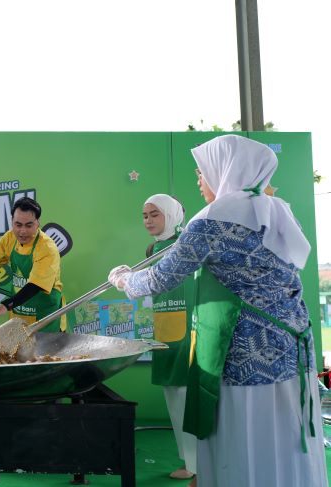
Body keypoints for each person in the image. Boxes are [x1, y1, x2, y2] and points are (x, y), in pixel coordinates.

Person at [108, 135, 327, 486]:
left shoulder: (210, 222)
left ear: (225, 169)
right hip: (293, 350)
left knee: (247, 439)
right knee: (286, 436)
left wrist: (123, 279)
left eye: (202, 172)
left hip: (244, 356)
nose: (198, 180)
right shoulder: (280, 211)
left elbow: (158, 280)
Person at [142, 194, 197, 483]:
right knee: (174, 397)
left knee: (189, 398)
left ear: (172, 214)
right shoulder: (154, 247)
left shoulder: (187, 241)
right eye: (145, 215)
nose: (148, 220)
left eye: (155, 214)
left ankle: (199, 463)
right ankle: (188, 461)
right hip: (163, 326)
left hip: (188, 329)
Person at [0, 197, 65, 332]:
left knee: (45, 352)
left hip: (45, 316)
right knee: (17, 352)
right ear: (12, 222)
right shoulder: (10, 238)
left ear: (38, 223)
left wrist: (3, 306)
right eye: (18, 225)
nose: (22, 231)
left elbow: (34, 286)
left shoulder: (47, 248)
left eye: (29, 225)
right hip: (19, 313)